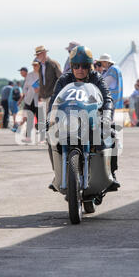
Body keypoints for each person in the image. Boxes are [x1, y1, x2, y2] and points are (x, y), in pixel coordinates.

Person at [48, 45, 120, 191]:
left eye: (85, 66)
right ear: (71, 66)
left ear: (90, 66)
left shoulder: (97, 78)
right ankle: (57, 174)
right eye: (76, 65)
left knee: (111, 134)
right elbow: (54, 101)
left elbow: (107, 98)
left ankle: (111, 174)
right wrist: (50, 117)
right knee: (50, 137)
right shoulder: (64, 80)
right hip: (68, 120)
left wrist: (106, 116)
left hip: (91, 120)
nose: (80, 69)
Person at [35, 45, 62, 141]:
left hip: (53, 94)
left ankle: (53, 136)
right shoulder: (40, 67)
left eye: (39, 54)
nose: (38, 56)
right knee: (45, 117)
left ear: (44, 53)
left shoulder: (53, 64)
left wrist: (59, 93)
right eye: (37, 54)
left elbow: (60, 78)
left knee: (52, 116)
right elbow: (41, 82)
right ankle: (48, 136)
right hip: (44, 95)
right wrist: (39, 95)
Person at [19, 61, 40, 142]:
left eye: (36, 65)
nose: (35, 66)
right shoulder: (29, 75)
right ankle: (28, 137)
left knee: (40, 118)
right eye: (33, 65)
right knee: (29, 118)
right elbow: (25, 87)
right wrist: (25, 93)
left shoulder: (42, 75)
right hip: (29, 99)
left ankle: (43, 137)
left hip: (39, 99)